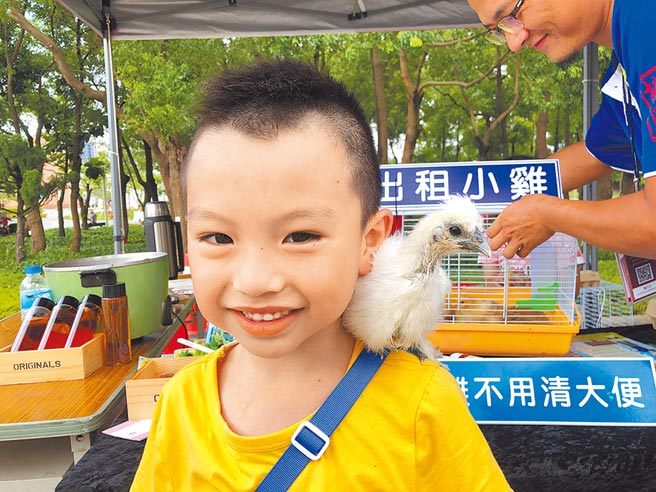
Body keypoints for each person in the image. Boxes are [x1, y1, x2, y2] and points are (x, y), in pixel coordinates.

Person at [131, 60, 511, 491]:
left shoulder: (422, 404)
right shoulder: (179, 405)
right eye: (218, 237)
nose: (255, 281)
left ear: (369, 242)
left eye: (300, 236)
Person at [467, 0, 656, 260]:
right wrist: (461, 193)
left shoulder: (646, 23)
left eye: (513, 14)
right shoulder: (625, 61)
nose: (514, 43)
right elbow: (595, 154)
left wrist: (549, 215)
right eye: (500, 29)